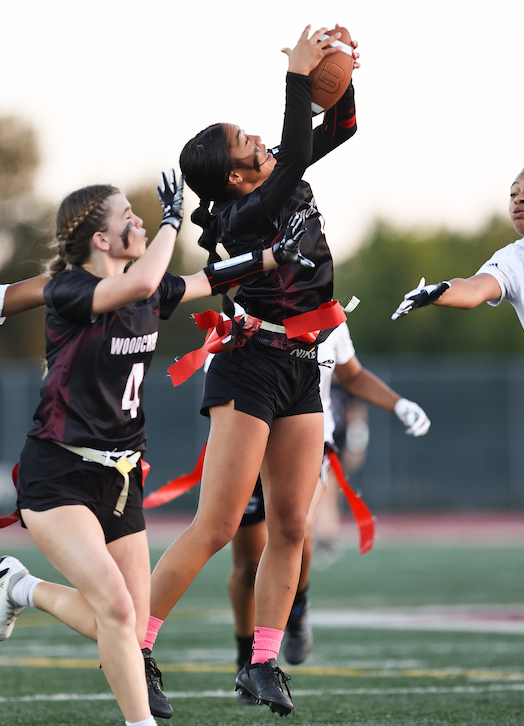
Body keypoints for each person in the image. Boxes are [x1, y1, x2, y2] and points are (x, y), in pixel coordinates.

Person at [0, 171, 305, 726]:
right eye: (128, 217)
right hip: (59, 475)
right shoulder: (71, 290)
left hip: (119, 482)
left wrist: (273, 256)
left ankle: (18, 586)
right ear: (99, 240)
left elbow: (204, 278)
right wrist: (170, 221)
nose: (141, 221)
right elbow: (141, 285)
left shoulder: (148, 287)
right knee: (117, 610)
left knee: (124, 622)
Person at [143, 25, 360, 717]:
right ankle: (135, 643)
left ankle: (261, 664)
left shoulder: (277, 176)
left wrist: (341, 73)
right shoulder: (247, 208)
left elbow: (345, 124)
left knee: (293, 523)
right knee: (217, 523)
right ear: (236, 178)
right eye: (248, 147)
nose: (262, 143)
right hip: (251, 364)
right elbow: (297, 149)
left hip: (301, 361)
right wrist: (299, 78)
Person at [392, 134, 524, 628]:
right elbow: (474, 288)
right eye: (513, 193)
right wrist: (439, 292)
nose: (519, 199)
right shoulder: (512, 260)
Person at [228, 320, 430, 685]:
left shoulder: (328, 318)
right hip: (251, 442)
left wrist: (398, 403)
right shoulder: (246, 313)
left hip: (306, 441)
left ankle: (297, 606)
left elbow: (352, 374)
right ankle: (245, 658)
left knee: (296, 526)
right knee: (245, 564)